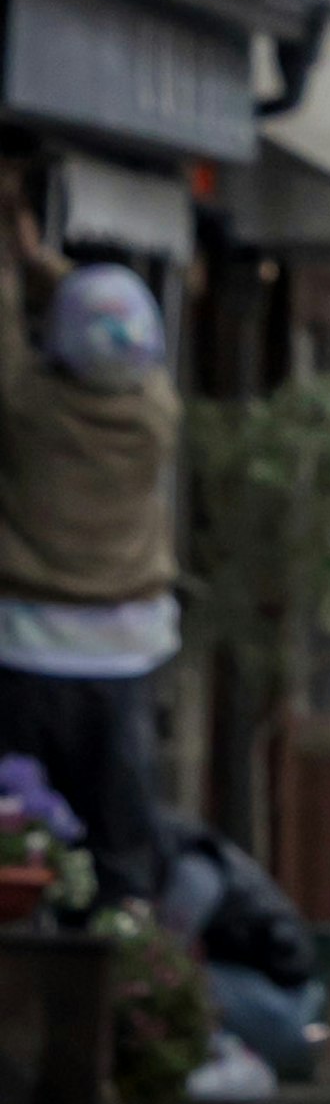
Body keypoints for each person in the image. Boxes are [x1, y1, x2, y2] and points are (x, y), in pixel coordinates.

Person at [0, 194, 182, 903]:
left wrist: (18, 257)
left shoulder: (28, 409)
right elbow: (104, 329)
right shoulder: (155, 414)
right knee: (118, 835)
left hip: (20, 647)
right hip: (123, 654)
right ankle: (125, 971)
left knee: (16, 829)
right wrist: (43, 259)